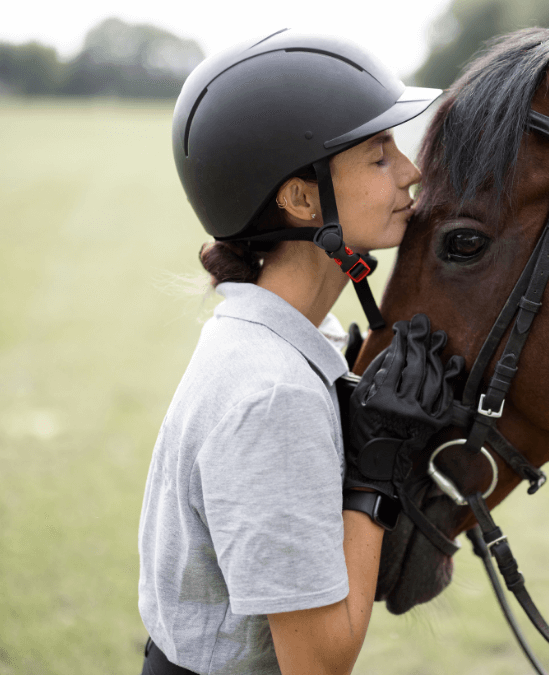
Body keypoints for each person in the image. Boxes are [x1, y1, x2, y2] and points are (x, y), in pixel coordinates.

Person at [138, 30, 460, 675]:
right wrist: (374, 475)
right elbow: (318, 663)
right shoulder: (272, 396)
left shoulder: (276, 339)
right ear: (302, 199)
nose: (411, 171)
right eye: (377, 157)